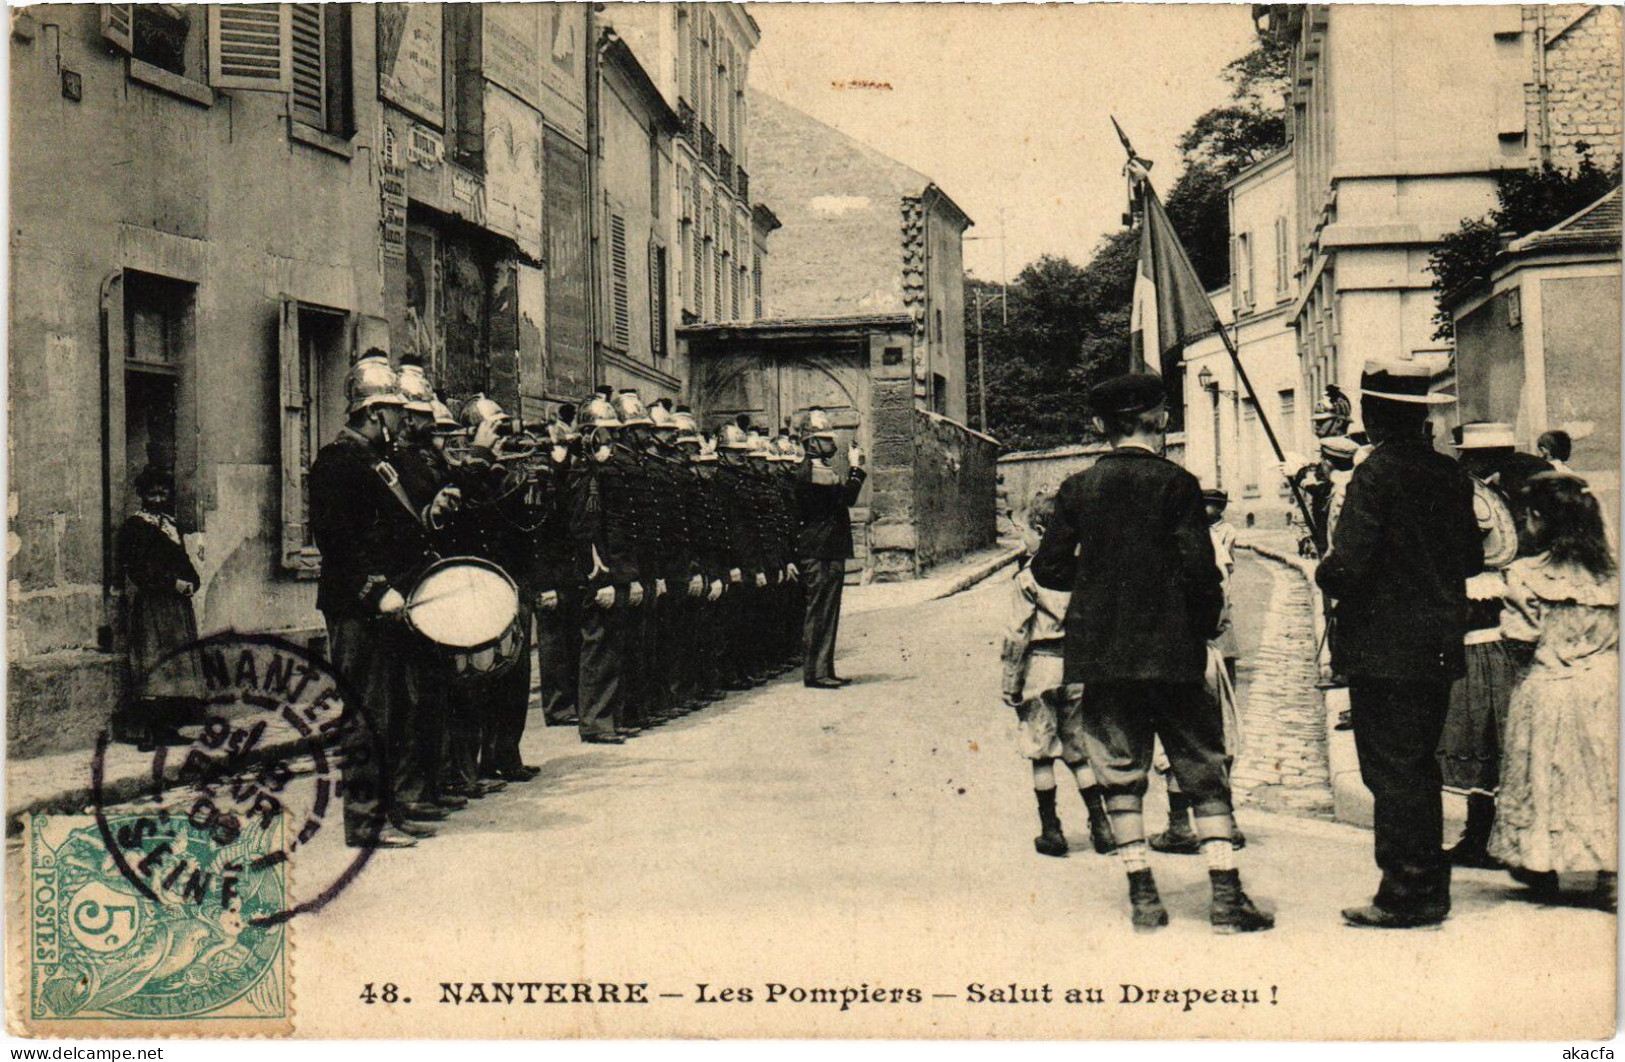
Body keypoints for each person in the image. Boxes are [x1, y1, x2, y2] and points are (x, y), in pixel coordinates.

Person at [1032, 373, 1272, 933]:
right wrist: (1206, 625)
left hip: (1103, 653)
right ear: (1159, 419)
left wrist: (1096, 581)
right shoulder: (1178, 484)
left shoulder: (1076, 488)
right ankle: (1226, 899)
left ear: (1100, 426)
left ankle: (1143, 897)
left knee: (1118, 770)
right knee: (1202, 768)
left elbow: (1049, 568)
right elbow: (1200, 570)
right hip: (1172, 650)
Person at [1316, 359, 1482, 928]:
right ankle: (1429, 888)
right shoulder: (1451, 474)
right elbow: (1473, 558)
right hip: (1438, 644)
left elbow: (1348, 567)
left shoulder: (1376, 474)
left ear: (1371, 413)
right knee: (1419, 767)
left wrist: (1324, 568)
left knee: (1391, 772)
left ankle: (1403, 894)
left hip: (1384, 648)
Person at [308, 352, 459, 848]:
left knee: (395, 711)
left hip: (391, 603)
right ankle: (365, 822)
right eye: (396, 410)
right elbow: (337, 542)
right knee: (367, 714)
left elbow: (397, 533)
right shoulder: (337, 462)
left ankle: (394, 809)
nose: (403, 419)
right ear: (375, 412)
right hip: (358, 607)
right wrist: (377, 591)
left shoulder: (380, 461)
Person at [1488, 472, 1617, 909]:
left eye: (1529, 517)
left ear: (1540, 521)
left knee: (1545, 777)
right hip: (1607, 687)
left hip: (1550, 688)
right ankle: (1611, 875)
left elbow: (1521, 638)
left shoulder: (1526, 575)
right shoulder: (1613, 577)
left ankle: (1540, 866)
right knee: (1604, 779)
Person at [1003, 491, 1113, 858]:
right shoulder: (1083, 573)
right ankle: (1102, 827)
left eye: (1024, 533)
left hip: (1040, 669)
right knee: (1079, 751)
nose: (1022, 540)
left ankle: (1052, 832)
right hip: (1077, 668)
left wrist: (1010, 683)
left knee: (1041, 752)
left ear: (1039, 530)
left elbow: (1018, 635)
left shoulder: (1028, 579)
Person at [569, 388, 641, 745]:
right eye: (606, 434)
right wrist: (603, 579)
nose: (612, 441)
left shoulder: (605, 471)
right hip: (601, 575)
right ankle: (596, 721)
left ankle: (611, 717)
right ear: (589, 435)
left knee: (616, 648)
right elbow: (589, 531)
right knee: (599, 648)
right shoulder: (586, 474)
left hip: (617, 572)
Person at [116, 466, 204, 752]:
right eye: (152, 493)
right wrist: (171, 583)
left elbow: (184, 561)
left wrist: (192, 582)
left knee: (176, 664)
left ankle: (168, 729)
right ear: (142, 495)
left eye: (163, 492)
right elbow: (140, 570)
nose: (158, 498)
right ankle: (148, 733)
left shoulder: (171, 525)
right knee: (154, 664)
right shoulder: (135, 528)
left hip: (178, 606)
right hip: (154, 605)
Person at [796, 409, 867, 690]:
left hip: (828, 547)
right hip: (820, 548)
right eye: (824, 439)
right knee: (820, 610)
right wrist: (856, 470)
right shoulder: (813, 470)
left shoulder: (820, 468)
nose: (831, 443)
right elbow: (845, 499)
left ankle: (824, 668)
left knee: (828, 610)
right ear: (812, 442)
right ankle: (815, 672)